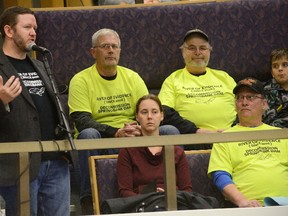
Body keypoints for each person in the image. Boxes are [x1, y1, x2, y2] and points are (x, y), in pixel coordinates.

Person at [68, 28, 179, 214]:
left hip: (136, 134)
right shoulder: (81, 80)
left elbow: (148, 108)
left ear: (120, 51)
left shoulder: (132, 77)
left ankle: (176, 192)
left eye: (115, 46)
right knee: (88, 134)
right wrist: (115, 132)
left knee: (170, 131)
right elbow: (82, 120)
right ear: (93, 52)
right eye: (105, 46)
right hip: (102, 137)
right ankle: (88, 200)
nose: (111, 50)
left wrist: (139, 128)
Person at [0, 6, 70, 216]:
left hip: (56, 159)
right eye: (27, 27)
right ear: (9, 31)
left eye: (35, 28)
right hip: (19, 164)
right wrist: (2, 101)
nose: (33, 32)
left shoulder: (41, 64)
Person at [208, 77, 288, 207]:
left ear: (264, 104)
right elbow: (220, 175)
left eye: (250, 97)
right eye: (240, 98)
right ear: (235, 105)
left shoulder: (282, 134)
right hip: (250, 206)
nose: (244, 102)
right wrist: (242, 201)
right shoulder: (224, 138)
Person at [158, 29, 237, 149]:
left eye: (203, 48)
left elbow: (244, 105)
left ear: (209, 51)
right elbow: (164, 112)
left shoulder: (224, 77)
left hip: (232, 138)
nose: (198, 52)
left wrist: (233, 130)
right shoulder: (173, 80)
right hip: (193, 140)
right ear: (183, 51)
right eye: (191, 48)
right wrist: (196, 131)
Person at [117, 94, 192, 197]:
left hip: (174, 206)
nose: (149, 117)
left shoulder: (176, 152)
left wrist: (169, 197)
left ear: (162, 116)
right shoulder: (127, 152)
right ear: (137, 117)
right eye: (144, 112)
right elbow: (124, 191)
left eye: (154, 112)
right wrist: (151, 198)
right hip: (142, 208)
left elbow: (187, 190)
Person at [263, 48, 288, 128]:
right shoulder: (264, 92)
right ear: (272, 73)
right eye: (275, 66)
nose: (280, 69)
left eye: (285, 65)